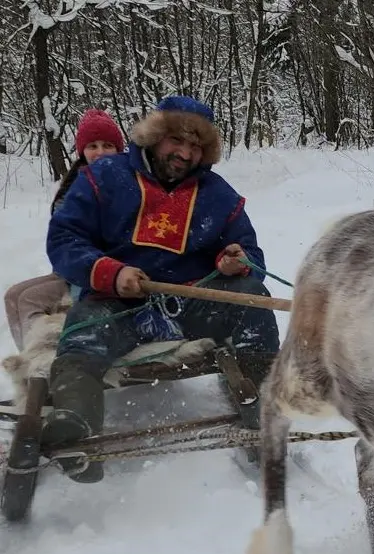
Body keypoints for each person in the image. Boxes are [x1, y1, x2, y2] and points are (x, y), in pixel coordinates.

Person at [43, 95, 280, 482]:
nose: (185, 153)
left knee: (252, 297)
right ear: (155, 136)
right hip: (119, 305)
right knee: (82, 331)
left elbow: (250, 253)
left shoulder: (218, 195)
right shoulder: (104, 178)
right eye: (177, 141)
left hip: (191, 303)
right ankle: (76, 427)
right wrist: (109, 272)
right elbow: (64, 240)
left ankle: (267, 406)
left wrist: (236, 261)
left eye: (195, 146)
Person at [4, 109, 126, 347]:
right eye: (92, 146)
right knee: (12, 296)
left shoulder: (123, 182)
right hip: (73, 267)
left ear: (118, 149)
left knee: (29, 300)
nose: (100, 153)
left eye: (107, 145)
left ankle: (46, 362)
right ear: (82, 150)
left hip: (98, 270)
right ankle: (30, 363)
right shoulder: (77, 181)